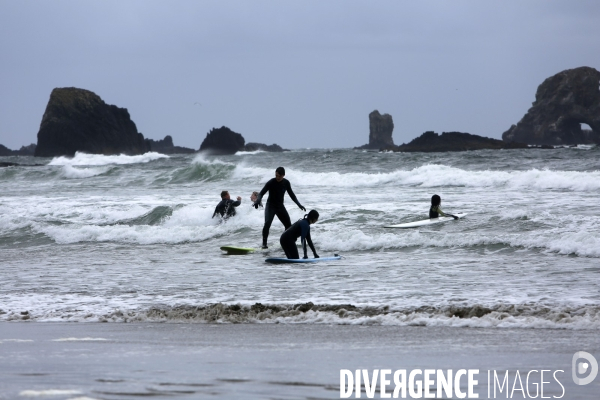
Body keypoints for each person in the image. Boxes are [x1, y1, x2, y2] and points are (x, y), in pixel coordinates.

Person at [253, 166, 306, 249]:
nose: (277, 177)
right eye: (276, 175)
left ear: (283, 175)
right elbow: (261, 193)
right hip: (270, 206)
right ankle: (264, 244)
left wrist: (299, 205)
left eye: (279, 176)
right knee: (267, 224)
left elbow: (292, 195)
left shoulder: (286, 183)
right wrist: (257, 201)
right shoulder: (271, 182)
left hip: (280, 206)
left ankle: (287, 241)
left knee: (288, 225)